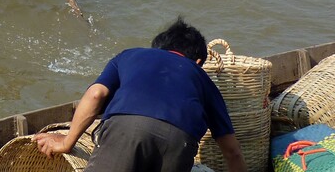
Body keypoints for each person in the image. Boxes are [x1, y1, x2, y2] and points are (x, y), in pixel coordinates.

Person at [33, 18, 246, 172]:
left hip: (126, 129)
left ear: (157, 48)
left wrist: (66, 142)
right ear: (198, 61)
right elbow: (233, 152)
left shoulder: (130, 56)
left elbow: (96, 94)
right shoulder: (203, 79)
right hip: (179, 141)